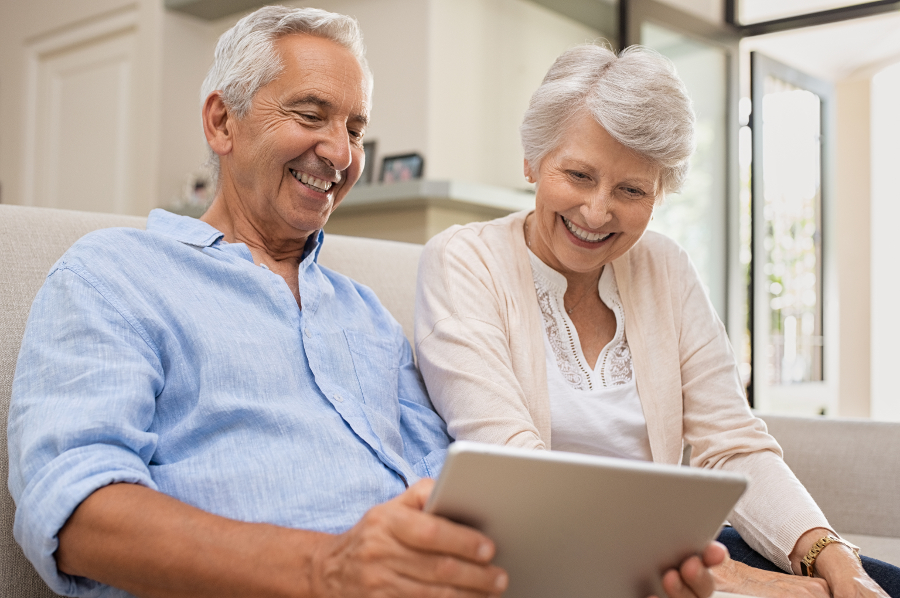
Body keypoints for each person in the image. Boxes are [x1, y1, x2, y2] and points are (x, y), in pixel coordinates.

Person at [7, 8, 723, 598]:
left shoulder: (365, 316)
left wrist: (621, 567)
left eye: (354, 129)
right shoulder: (114, 274)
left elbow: (455, 488)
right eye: (311, 114)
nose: (341, 152)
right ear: (222, 124)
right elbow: (73, 510)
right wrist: (326, 569)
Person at [415, 43, 900, 598]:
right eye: (577, 175)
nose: (597, 212)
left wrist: (832, 557)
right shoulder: (463, 260)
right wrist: (743, 580)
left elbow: (733, 445)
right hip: (549, 560)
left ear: (659, 193)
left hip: (677, 552)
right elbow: (516, 475)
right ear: (532, 160)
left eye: (631, 190)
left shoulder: (664, 266)